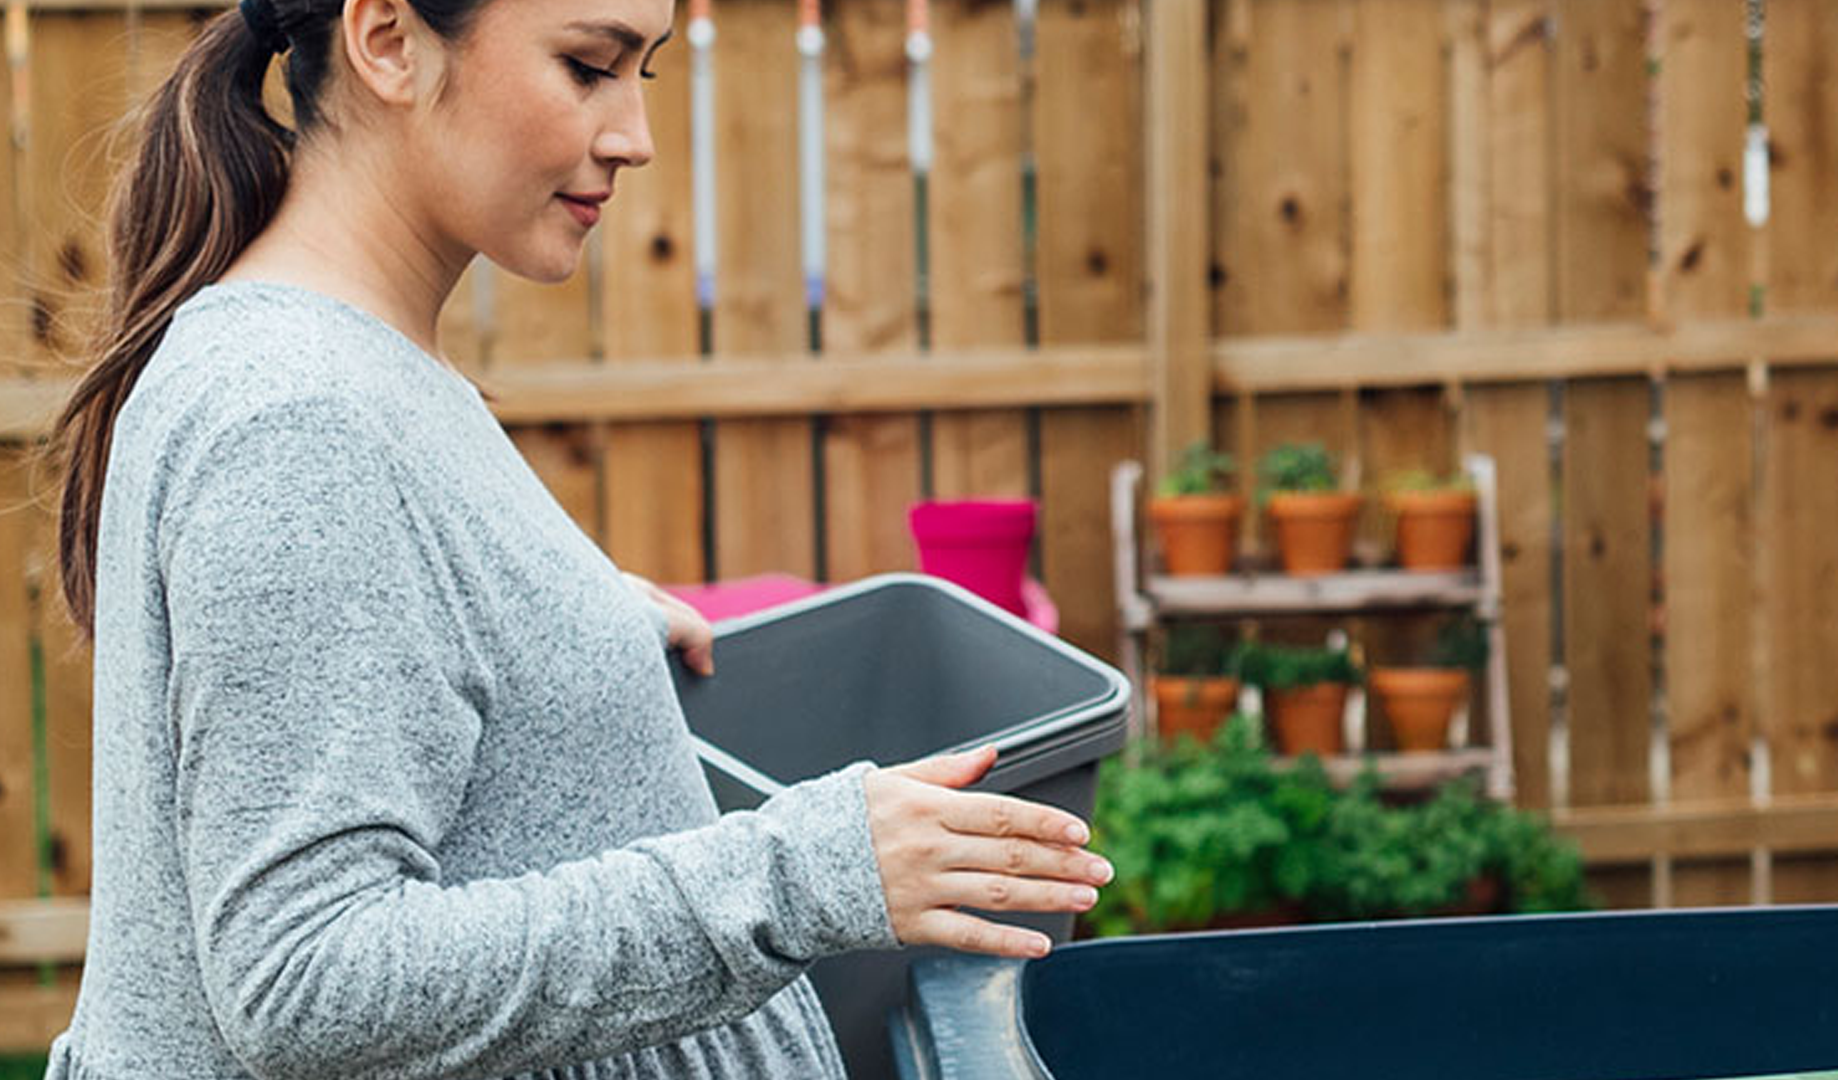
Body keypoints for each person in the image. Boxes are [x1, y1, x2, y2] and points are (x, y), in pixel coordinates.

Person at [39, 0, 1113, 1076]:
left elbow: (394, 623)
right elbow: (309, 982)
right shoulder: (295, 416)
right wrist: (803, 877)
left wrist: (561, 622)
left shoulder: (357, 363)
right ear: (387, 41)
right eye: (586, 66)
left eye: (637, 74)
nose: (632, 138)